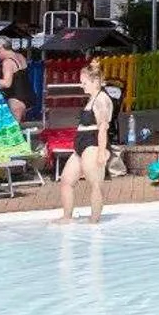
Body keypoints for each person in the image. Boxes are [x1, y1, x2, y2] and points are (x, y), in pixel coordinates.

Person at [55, 62, 113, 225]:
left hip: (93, 143)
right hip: (81, 143)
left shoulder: (102, 99)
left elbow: (103, 128)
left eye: (84, 82)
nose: (82, 86)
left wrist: (102, 152)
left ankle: (94, 221)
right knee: (66, 180)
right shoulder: (92, 98)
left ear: (95, 82)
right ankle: (67, 216)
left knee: (94, 183)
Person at [0, 35, 38, 122]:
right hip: (28, 94)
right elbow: (20, 76)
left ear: (1, 49)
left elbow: (7, 83)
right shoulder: (20, 56)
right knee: (19, 127)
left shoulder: (8, 62)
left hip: (16, 98)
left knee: (14, 130)